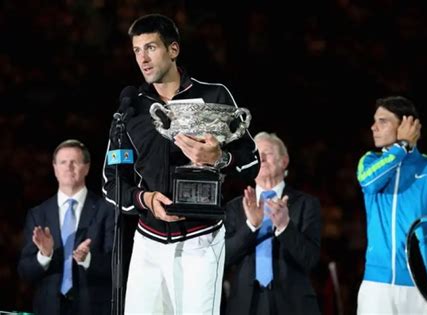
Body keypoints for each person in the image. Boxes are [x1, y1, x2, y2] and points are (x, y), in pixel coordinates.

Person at [101, 13, 260, 314]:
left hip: (201, 241)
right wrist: (144, 198)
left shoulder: (214, 95)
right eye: (136, 50)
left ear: (173, 50)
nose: (142, 58)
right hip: (147, 242)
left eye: (151, 47)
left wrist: (220, 159)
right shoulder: (130, 109)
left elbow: (251, 165)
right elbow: (111, 182)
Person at [356, 96, 427, 313]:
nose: (373, 127)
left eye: (382, 121)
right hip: (377, 286)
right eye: (374, 120)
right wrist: (402, 146)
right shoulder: (369, 161)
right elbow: (368, 183)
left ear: (407, 124)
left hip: (425, 289)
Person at [224, 131, 321, 315]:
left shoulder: (306, 204)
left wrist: (285, 226)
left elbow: (310, 259)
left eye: (266, 153)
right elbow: (223, 258)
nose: (260, 158)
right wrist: (251, 225)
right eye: (256, 155)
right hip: (246, 305)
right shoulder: (236, 207)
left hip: (292, 304)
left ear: (284, 161)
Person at [18, 139, 115, 315]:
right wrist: (44, 256)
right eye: (63, 162)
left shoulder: (107, 210)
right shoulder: (38, 214)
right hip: (49, 309)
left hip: (93, 308)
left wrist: (87, 259)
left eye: (75, 162)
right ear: (54, 168)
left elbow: (117, 267)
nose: (68, 167)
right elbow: (25, 271)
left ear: (86, 167)